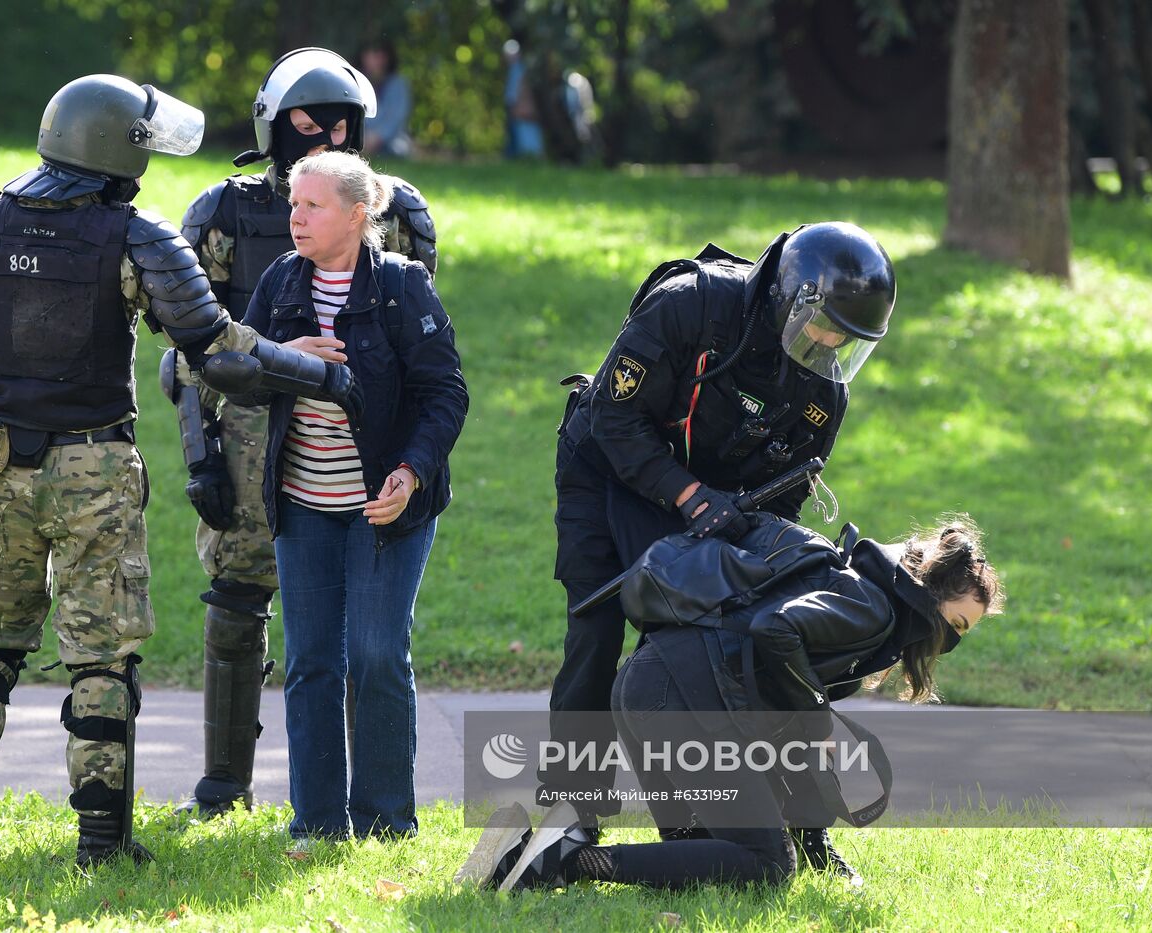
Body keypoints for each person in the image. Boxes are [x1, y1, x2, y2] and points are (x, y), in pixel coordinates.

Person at [0, 74, 361, 870]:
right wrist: (322, 376)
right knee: (101, 659)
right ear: (117, 151)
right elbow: (218, 356)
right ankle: (103, 842)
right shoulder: (134, 235)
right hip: (94, 471)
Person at [542, 223, 897, 876]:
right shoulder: (690, 303)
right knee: (595, 632)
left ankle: (747, 823)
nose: (830, 349)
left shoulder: (825, 393)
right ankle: (572, 815)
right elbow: (615, 419)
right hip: (607, 465)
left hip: (713, 506)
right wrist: (688, 495)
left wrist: (743, 551)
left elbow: (780, 506)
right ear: (794, 298)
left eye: (846, 342)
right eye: (825, 329)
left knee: (700, 644)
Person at [169, 47, 440, 818]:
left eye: (339, 125)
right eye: (305, 124)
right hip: (255, 439)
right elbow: (191, 354)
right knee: (236, 600)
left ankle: (371, 802)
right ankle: (226, 782)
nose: (322, 135)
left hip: (358, 444)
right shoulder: (221, 213)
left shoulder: (397, 212)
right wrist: (201, 456)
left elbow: (421, 345)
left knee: (360, 635)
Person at [463, 514, 1003, 890]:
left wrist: (818, 845)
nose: (947, 642)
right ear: (927, 596)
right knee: (766, 866)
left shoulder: (863, 591)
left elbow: (791, 747)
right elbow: (776, 628)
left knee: (699, 861)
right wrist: (816, 721)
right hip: (677, 704)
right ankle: (566, 862)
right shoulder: (871, 607)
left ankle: (518, 855)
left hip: (649, 693)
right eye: (952, 625)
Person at [242, 150, 467, 840]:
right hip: (303, 503)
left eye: (313, 206)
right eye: (293, 204)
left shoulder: (402, 286)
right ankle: (316, 821)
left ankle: (387, 821)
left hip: (386, 506)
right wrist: (284, 358)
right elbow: (235, 372)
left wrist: (411, 473)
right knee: (311, 660)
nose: (296, 217)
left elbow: (445, 393)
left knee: (374, 653)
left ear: (358, 214)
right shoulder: (282, 282)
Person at [360, 40, 413, 158]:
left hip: (391, 140)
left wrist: (377, 137)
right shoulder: (356, 82)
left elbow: (396, 118)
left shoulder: (398, 84)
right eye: (374, 55)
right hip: (361, 138)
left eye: (381, 56)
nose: (378, 60)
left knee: (400, 148)